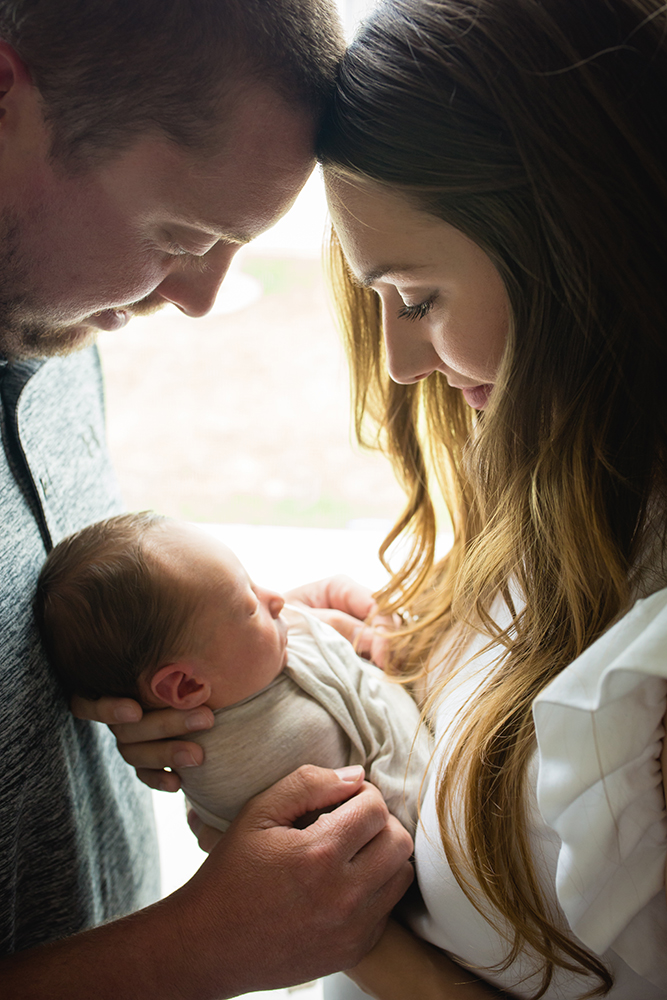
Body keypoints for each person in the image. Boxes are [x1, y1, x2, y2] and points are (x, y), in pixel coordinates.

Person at [0, 1, 414, 996]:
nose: (196, 299)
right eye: (183, 234)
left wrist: (228, 664)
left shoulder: (49, 330)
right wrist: (190, 949)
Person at [313, 0, 667, 997]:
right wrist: (368, 685)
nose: (398, 359)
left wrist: (341, 931)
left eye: (416, 298)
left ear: (571, 240)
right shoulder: (567, 487)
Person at [34, 511, 432, 833]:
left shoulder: (238, 676)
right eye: (249, 603)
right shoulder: (273, 750)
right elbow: (406, 792)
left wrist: (316, 623)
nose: (276, 598)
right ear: (186, 685)